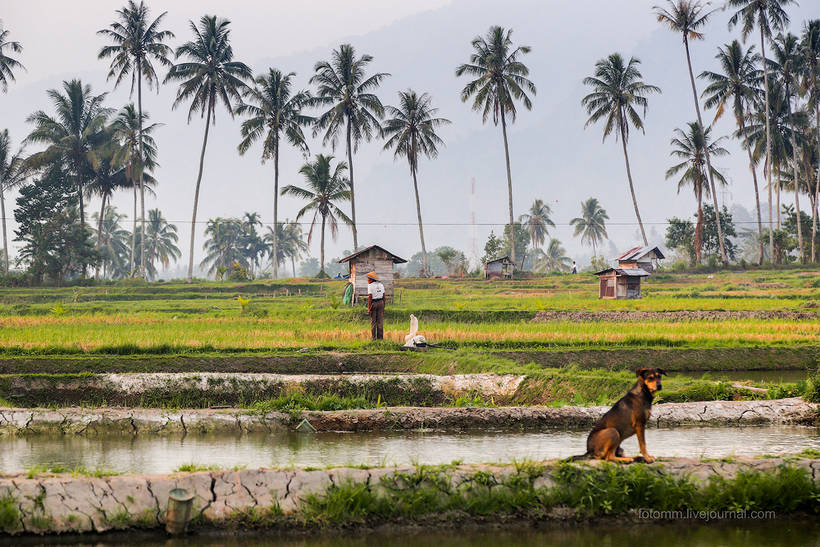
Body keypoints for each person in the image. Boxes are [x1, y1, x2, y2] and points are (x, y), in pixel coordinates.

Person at [366, 271, 385, 340]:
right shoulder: (381, 285)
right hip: (381, 303)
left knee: (373, 321)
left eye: (368, 279)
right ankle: (380, 338)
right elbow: (384, 296)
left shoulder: (370, 286)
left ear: (371, 279)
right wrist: (383, 306)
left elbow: (370, 297)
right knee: (380, 321)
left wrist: (369, 308)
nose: (367, 280)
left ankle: (374, 338)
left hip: (374, 303)